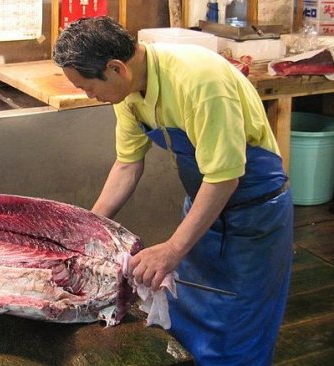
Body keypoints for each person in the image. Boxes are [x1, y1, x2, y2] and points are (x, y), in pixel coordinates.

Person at [53, 17, 293, 365]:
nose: (88, 95)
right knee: (186, 325)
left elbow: (225, 178)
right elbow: (127, 165)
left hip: (254, 215)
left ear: (116, 68)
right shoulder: (129, 91)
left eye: (87, 86)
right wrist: (88, 231)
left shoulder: (200, 80)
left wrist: (172, 250)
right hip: (201, 209)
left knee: (238, 331)